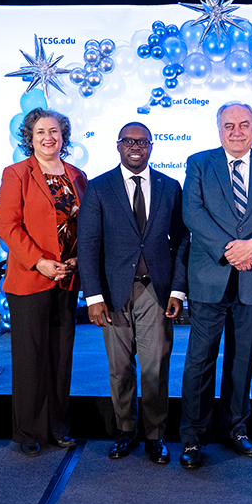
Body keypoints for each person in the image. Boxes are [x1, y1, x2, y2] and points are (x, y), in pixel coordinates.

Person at [178, 102, 252, 469]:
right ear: (219, 129)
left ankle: (236, 429)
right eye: (229, 125)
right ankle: (193, 437)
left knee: (243, 359)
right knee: (200, 359)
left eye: (244, 125)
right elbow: (192, 213)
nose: (237, 131)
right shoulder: (199, 163)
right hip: (211, 275)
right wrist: (231, 251)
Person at [77, 121, 189, 464]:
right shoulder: (98, 188)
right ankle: (126, 431)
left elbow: (182, 241)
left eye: (142, 141)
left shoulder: (170, 187)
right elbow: (88, 245)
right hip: (113, 295)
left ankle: (155, 436)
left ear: (152, 146)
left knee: (156, 366)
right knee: (120, 368)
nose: (135, 145)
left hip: (156, 291)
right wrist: (93, 297)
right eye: (128, 140)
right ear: (118, 146)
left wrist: (179, 290)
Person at [0, 108, 86, 456]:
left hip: (67, 279)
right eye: (40, 132)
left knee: (61, 357)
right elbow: (8, 226)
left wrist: (78, 259)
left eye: (54, 131)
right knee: (30, 357)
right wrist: (40, 261)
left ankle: (57, 428)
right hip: (30, 280)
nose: (48, 137)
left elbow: (84, 226)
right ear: (29, 138)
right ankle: (27, 431)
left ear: (63, 136)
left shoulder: (78, 176)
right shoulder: (16, 174)